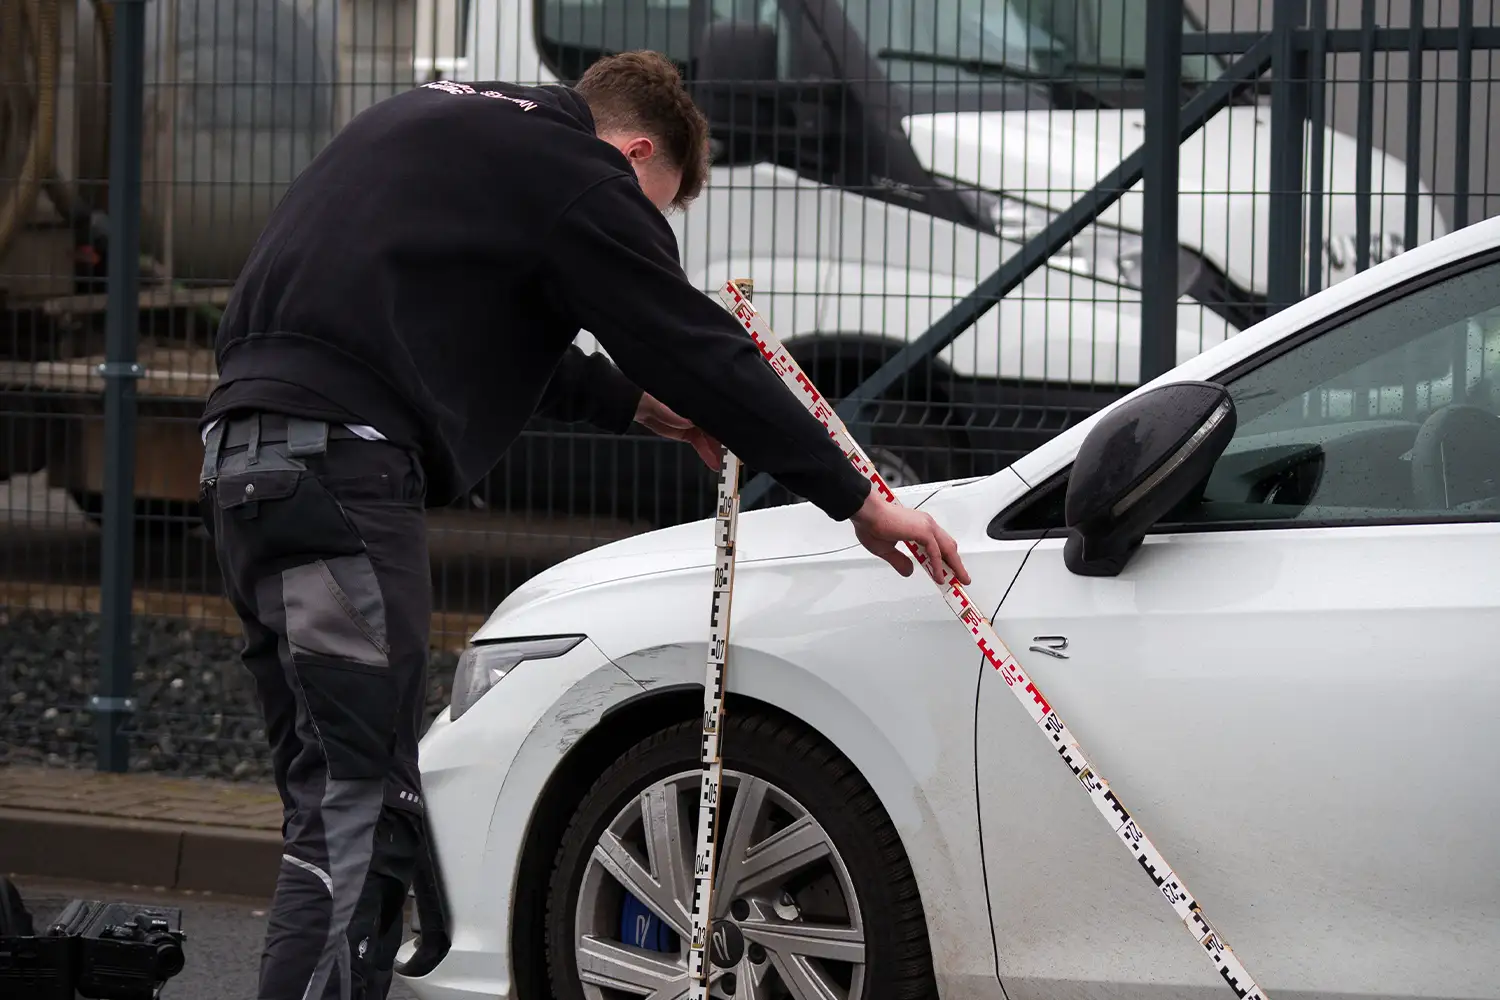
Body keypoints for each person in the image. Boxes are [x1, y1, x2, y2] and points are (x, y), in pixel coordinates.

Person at [196, 49, 970, 1000]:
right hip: (340, 475)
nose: (644, 230)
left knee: (329, 807)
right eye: (656, 207)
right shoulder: (579, 171)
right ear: (637, 149)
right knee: (360, 811)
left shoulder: (439, 122)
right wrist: (859, 498)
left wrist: (635, 404)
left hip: (246, 466)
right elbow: (692, 341)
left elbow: (466, 316)